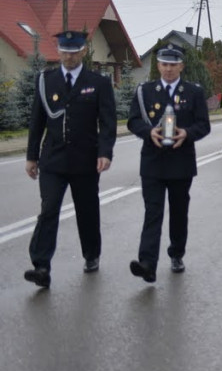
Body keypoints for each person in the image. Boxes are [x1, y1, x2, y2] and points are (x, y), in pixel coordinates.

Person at [23, 31, 116, 289]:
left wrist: (105, 152)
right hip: (52, 159)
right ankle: (41, 266)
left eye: (74, 51)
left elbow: (107, 122)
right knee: (49, 209)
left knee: (86, 210)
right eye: (64, 51)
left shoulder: (98, 82)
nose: (69, 56)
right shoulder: (46, 80)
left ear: (83, 51)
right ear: (58, 51)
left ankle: (91, 254)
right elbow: (37, 121)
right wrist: (32, 157)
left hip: (85, 160)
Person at [127, 43, 211, 282]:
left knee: (178, 211)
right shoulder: (146, 91)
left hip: (181, 163)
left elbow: (204, 125)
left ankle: (176, 253)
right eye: (164, 64)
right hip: (152, 163)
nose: (168, 69)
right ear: (158, 65)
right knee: (152, 212)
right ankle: (147, 263)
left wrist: (187, 133)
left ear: (181, 66)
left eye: (173, 65)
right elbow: (133, 121)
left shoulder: (193, 92)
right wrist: (148, 132)